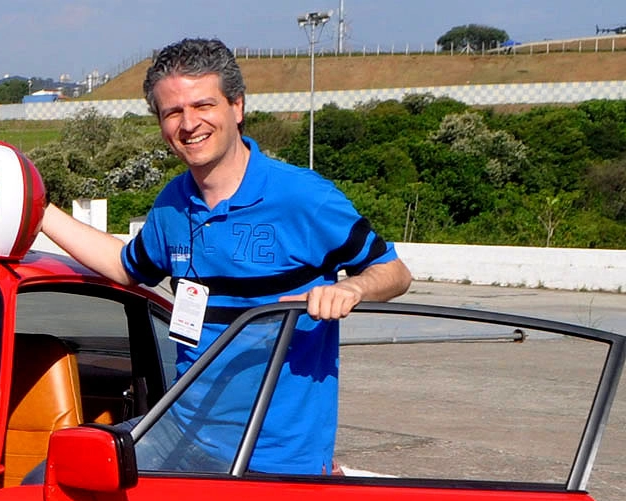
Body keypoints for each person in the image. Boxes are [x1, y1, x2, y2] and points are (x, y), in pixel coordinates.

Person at [39, 37, 411, 476]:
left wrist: (352, 287)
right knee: (55, 480)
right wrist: (39, 209)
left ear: (237, 106)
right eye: (172, 112)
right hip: (182, 434)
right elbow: (125, 266)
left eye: (203, 105)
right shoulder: (172, 205)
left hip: (276, 456)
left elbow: (395, 272)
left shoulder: (303, 197)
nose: (188, 123)